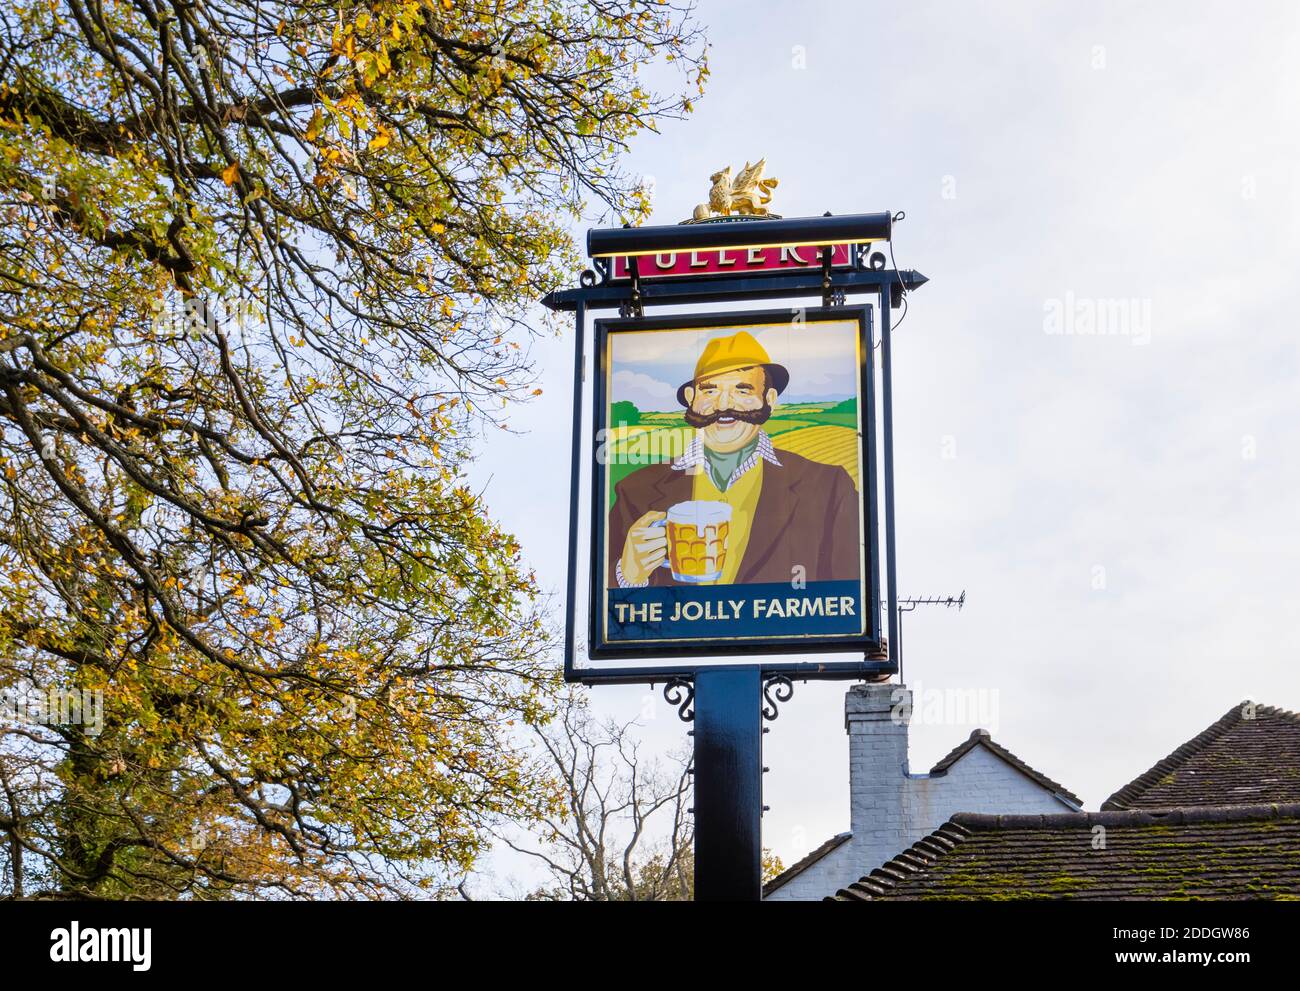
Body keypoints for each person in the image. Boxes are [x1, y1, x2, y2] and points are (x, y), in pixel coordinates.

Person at [609, 331, 860, 588]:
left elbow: (849, 599)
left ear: (769, 400)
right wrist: (627, 574)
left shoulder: (827, 487)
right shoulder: (636, 490)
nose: (724, 404)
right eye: (709, 390)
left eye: (742, 390)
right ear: (690, 399)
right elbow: (608, 609)